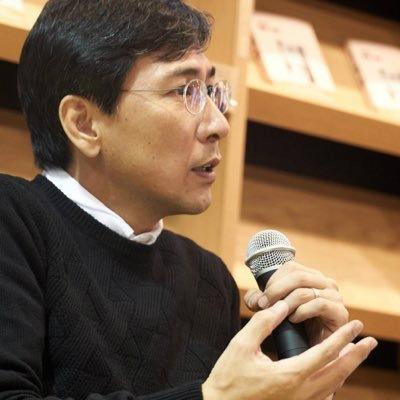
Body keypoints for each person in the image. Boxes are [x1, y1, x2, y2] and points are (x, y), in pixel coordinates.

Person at [0, 0, 377, 399]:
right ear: (84, 123)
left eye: (212, 91)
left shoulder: (209, 279)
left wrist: (306, 382)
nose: (219, 124)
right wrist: (216, 397)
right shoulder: (14, 222)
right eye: (185, 91)